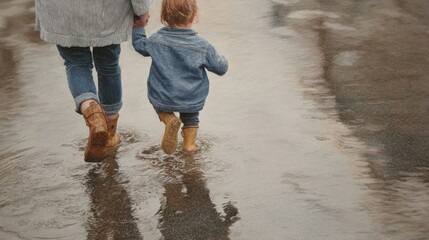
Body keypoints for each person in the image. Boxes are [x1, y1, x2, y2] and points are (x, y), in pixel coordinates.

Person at [34, 0, 152, 162]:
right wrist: (142, 9)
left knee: (76, 63)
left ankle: (93, 113)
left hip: (61, 11)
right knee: (108, 66)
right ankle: (109, 134)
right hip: (107, 12)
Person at [132, 0, 228, 154]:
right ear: (193, 16)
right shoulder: (202, 45)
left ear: (165, 16)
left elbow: (139, 45)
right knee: (191, 118)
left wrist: (138, 26)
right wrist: (223, 59)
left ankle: (169, 119)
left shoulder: (157, 40)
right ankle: (189, 146)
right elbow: (221, 68)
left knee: (159, 106)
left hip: (164, 95)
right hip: (191, 97)